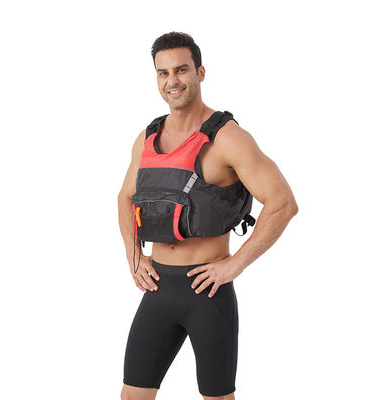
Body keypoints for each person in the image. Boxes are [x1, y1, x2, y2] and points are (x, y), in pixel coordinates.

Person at [118, 31, 298, 400]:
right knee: (132, 396)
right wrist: (133, 256)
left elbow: (283, 202)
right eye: (163, 73)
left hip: (207, 292)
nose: (172, 81)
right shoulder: (147, 138)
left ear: (200, 72)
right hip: (157, 288)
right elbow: (125, 196)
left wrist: (235, 265)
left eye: (181, 70)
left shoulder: (228, 138)